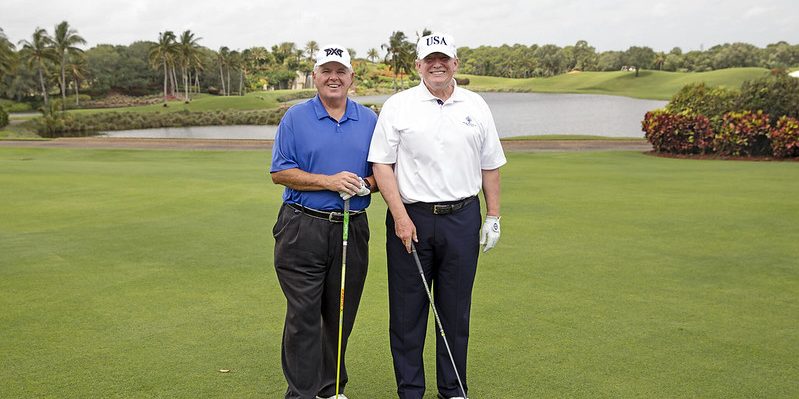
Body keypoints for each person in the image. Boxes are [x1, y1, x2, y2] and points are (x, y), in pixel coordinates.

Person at [368, 32, 506, 399]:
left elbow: (490, 165)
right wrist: (399, 216)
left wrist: (493, 216)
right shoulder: (398, 105)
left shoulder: (476, 106)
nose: (437, 64)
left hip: (461, 219)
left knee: (456, 311)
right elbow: (381, 165)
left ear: (455, 64)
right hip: (409, 219)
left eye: (443, 58)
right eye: (429, 59)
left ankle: (453, 389)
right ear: (418, 66)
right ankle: (410, 391)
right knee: (407, 312)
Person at [270, 43, 377, 399]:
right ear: (315, 77)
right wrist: (329, 181)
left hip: (351, 227)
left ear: (352, 78)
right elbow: (280, 172)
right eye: (326, 71)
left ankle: (330, 390)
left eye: (340, 71)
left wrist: (365, 184)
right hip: (302, 228)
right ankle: (301, 394)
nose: (334, 77)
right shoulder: (295, 117)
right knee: (304, 317)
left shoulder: (370, 119)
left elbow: (382, 176)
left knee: (339, 314)